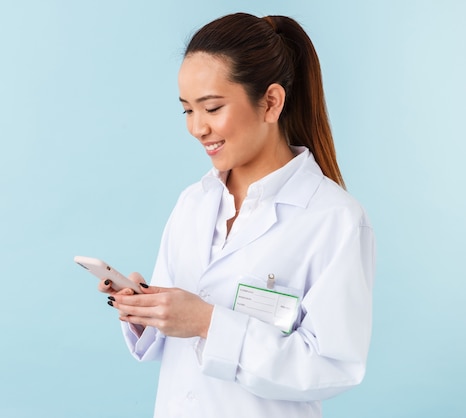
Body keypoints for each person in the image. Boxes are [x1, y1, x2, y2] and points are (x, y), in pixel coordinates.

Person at [99, 12, 375, 418]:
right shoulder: (193, 203)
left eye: (211, 107)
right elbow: (175, 339)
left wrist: (209, 323)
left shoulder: (334, 219)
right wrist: (146, 310)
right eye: (187, 111)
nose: (197, 128)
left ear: (271, 102)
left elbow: (331, 367)